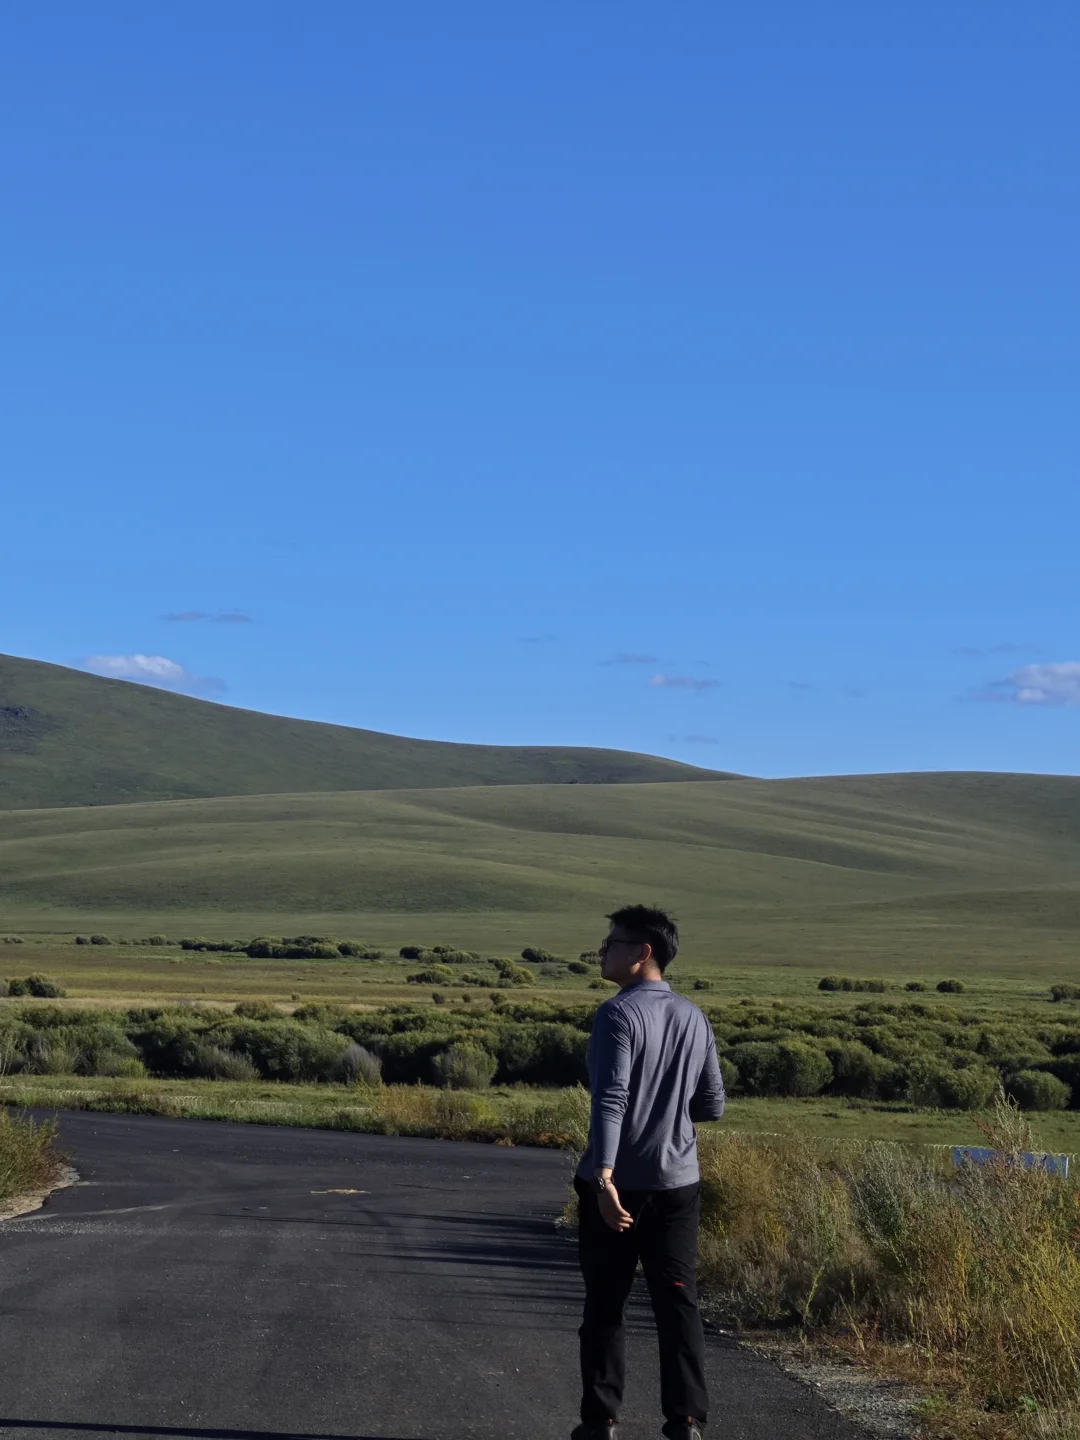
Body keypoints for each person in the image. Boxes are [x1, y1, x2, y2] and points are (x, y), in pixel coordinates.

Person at [571, 905, 725, 1440]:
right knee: (678, 1302)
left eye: (612, 942)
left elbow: (610, 1100)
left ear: (643, 953)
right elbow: (712, 1104)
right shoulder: (694, 1017)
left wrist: (605, 1180)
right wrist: (668, 1108)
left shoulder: (617, 1015)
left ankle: (599, 1421)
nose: (602, 950)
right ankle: (685, 1421)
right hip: (678, 1183)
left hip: (617, 1185)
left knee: (606, 1303)